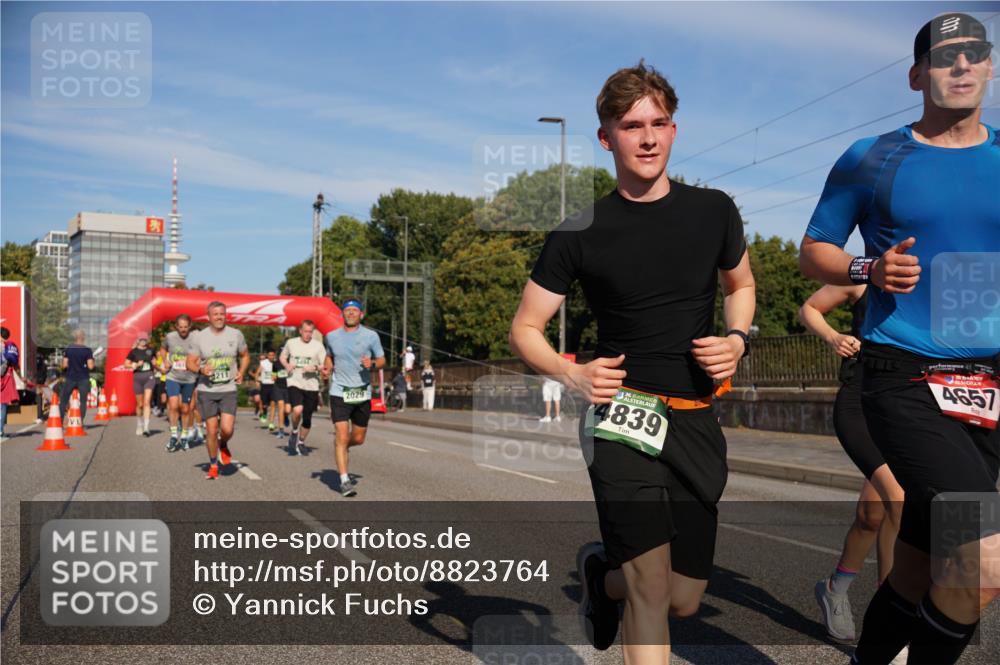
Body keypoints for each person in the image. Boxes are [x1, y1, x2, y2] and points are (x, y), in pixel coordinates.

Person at [509, 60, 755, 661]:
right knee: (650, 588)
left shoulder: (714, 210)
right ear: (606, 137)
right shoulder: (579, 230)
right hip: (622, 418)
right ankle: (622, 578)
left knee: (683, 597)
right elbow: (525, 328)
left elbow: (741, 286)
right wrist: (571, 372)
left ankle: (601, 577)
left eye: (660, 122)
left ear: (674, 130)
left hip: (695, 416)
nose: (647, 137)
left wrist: (737, 339)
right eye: (630, 125)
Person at [799, 14, 998, 665]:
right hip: (903, 372)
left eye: (975, 54)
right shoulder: (873, 158)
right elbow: (815, 250)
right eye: (945, 57)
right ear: (918, 75)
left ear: (989, 68)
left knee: (915, 567)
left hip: (986, 382)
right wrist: (868, 268)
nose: (962, 65)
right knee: (983, 558)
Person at [800, 285, 905, 644]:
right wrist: (833, 336)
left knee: (872, 515)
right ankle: (891, 621)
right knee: (899, 501)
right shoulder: (861, 274)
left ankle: (835, 587)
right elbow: (810, 308)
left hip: (908, 408)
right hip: (859, 403)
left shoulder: (938, 283)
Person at [324, 298, 385, 497]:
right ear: (342, 314)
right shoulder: (331, 336)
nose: (350, 313)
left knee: (358, 438)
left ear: (361, 314)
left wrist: (373, 364)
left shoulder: (371, 336)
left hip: (361, 392)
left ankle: (341, 447)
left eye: (354, 310)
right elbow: (329, 356)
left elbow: (383, 359)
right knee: (342, 435)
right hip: (340, 391)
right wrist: (327, 368)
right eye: (347, 310)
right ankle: (344, 480)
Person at [186, 301, 249, 480]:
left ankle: (223, 444)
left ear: (226, 315)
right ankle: (213, 465)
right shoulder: (199, 337)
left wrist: (241, 372)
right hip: (207, 389)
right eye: (216, 314)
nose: (219, 317)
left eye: (222, 313)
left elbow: (245, 356)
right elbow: (189, 362)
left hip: (228, 388)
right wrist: (200, 369)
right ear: (209, 317)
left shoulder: (236, 334)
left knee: (227, 429)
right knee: (212, 430)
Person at [280, 320, 328, 455]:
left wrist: (314, 367)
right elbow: (282, 357)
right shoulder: (291, 343)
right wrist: (287, 365)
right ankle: (294, 431)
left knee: (307, 417)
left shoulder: (318, 346)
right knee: (297, 410)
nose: (308, 334)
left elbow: (325, 365)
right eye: (306, 331)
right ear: (300, 331)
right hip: (294, 382)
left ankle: (301, 442)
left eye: (310, 332)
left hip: (311, 385)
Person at [162, 314, 198, 452]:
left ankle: (183, 436)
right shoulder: (170, 337)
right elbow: (162, 349)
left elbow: (201, 352)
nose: (183, 330)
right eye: (180, 327)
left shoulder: (195, 338)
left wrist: (198, 362)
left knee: (185, 409)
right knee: (173, 405)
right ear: (176, 326)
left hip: (189, 378)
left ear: (189, 326)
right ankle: (172, 436)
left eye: (185, 327)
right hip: (173, 376)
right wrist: (165, 360)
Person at [60, 329, 95, 426]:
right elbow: (90, 366)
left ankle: (60, 421)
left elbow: (64, 365)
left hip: (70, 377)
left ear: (74, 337)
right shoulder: (87, 350)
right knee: (83, 401)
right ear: (83, 337)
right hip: (83, 378)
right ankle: (80, 422)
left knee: (64, 399)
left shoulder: (69, 349)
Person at [125, 334, 156, 436]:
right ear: (138, 340)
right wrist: (136, 365)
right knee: (140, 405)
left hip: (149, 376)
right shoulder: (133, 352)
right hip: (137, 377)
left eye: (145, 339)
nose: (143, 341)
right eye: (141, 339)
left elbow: (156, 361)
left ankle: (146, 427)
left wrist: (156, 363)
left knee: (147, 402)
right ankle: (139, 424)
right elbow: (126, 364)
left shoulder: (151, 350)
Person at [1, 327, 20, 438]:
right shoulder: (10, 347)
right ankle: (0, 429)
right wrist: (21, 377)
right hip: (5, 378)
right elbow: (15, 365)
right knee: (2, 404)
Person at [270, 348, 290, 438]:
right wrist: (274, 376)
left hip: (289, 388)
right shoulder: (276, 363)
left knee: (287, 410)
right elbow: (273, 375)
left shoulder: (290, 362)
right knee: (281, 406)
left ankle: (286, 416)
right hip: (278, 387)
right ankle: (281, 430)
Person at [258, 349, 275, 428]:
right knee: (265, 405)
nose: (271, 357)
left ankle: (271, 423)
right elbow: (257, 373)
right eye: (270, 355)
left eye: (273, 355)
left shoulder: (276, 363)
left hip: (274, 386)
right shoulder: (263, 363)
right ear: (267, 356)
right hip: (265, 385)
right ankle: (264, 413)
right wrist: (257, 381)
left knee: (273, 404)